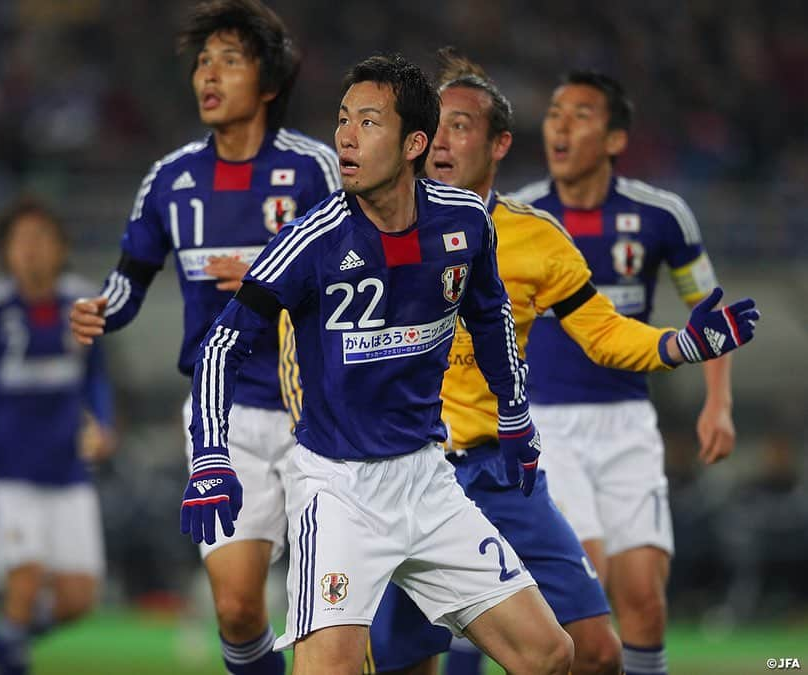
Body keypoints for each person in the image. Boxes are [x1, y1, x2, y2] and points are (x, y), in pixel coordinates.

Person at [278, 49, 760, 675]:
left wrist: (682, 345)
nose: (444, 142)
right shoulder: (360, 223)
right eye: (438, 125)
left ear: (499, 143)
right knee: (401, 664)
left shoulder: (531, 235)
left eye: (463, 126)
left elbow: (605, 332)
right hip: (391, 470)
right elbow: (296, 334)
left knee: (591, 650)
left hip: (496, 471)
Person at [181, 53, 577, 675]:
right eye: (343, 120)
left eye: (367, 122)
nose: (344, 136)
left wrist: (516, 416)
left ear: (415, 143)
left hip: (426, 480)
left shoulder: (464, 223)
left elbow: (491, 314)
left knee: (551, 655)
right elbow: (221, 346)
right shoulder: (311, 239)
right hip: (338, 491)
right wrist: (210, 457)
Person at [68, 2, 338, 672]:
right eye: (203, 61)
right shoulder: (170, 178)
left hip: (321, 419)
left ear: (269, 84)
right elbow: (132, 275)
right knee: (238, 611)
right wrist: (104, 307)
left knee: (328, 613)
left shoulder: (315, 170)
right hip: (226, 419)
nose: (208, 74)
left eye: (231, 59)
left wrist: (271, 273)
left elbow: (361, 273)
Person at [512, 70, 745, 675]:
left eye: (581, 114)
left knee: (643, 599)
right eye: (555, 112)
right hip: (546, 425)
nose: (560, 124)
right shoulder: (521, 216)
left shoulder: (660, 214)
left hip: (627, 425)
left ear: (616, 139)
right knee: (584, 597)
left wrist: (717, 403)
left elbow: (709, 310)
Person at [0, 197, 115, 675]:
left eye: (41, 239)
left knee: (78, 598)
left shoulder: (83, 302)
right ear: (5, 252)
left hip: (68, 472)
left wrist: (104, 423)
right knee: (25, 579)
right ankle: (6, 660)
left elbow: (96, 375)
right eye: (20, 241)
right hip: (7, 472)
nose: (31, 251)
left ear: (61, 248)